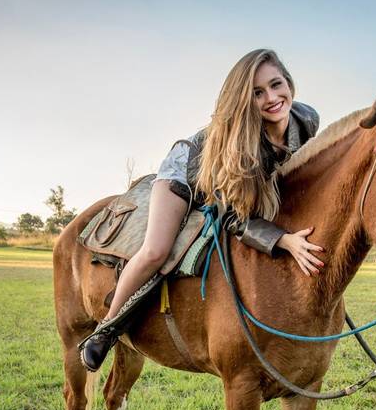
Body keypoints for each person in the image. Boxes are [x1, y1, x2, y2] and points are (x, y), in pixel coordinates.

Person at [81, 48, 325, 371]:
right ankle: (107, 329)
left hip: (233, 183)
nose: (272, 98)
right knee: (157, 250)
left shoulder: (307, 120)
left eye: (276, 84)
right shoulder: (240, 147)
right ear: (244, 100)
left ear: (289, 83)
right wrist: (284, 240)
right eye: (257, 93)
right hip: (187, 174)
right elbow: (235, 217)